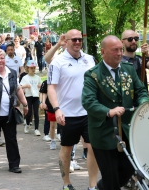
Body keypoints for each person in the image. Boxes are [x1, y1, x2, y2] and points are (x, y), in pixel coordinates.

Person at [82, 35, 149, 190]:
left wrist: (144, 103)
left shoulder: (128, 69)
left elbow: (140, 91)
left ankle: (100, 187)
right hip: (104, 133)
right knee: (111, 176)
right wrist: (108, 111)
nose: (119, 53)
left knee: (129, 168)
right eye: (115, 50)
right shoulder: (93, 75)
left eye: (120, 49)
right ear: (103, 52)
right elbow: (88, 101)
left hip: (127, 130)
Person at [47, 29, 98, 190]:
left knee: (92, 147)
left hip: (89, 112)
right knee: (67, 148)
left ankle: (92, 185)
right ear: (66, 41)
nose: (77, 42)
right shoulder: (58, 62)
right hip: (67, 114)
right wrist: (57, 109)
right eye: (73, 39)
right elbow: (51, 88)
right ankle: (66, 183)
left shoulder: (90, 60)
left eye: (79, 39)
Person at [121, 30, 149, 95]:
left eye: (136, 39)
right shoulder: (118, 62)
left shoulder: (141, 59)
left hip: (143, 100)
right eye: (130, 39)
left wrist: (148, 54)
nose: (134, 41)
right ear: (122, 42)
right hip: (127, 102)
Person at [20, 60, 42, 135]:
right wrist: (25, 86)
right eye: (31, 68)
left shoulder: (37, 77)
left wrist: (40, 86)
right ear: (27, 68)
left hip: (36, 96)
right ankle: (27, 124)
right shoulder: (25, 78)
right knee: (29, 112)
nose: (33, 69)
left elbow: (41, 86)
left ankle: (36, 129)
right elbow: (20, 87)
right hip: (28, 96)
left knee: (36, 113)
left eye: (34, 68)